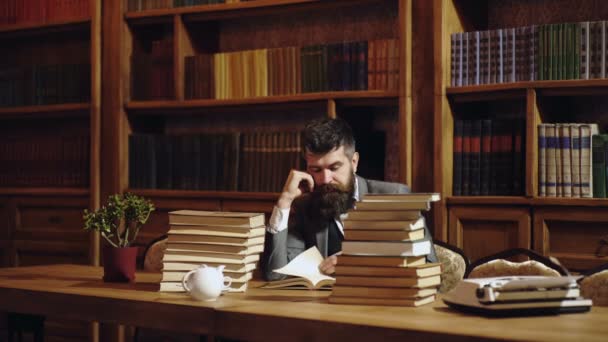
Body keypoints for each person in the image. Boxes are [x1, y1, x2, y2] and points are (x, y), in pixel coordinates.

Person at [263, 117, 437, 281]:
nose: (325, 179)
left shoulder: (396, 197)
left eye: (334, 167)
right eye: (316, 170)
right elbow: (275, 275)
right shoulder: (305, 207)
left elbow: (429, 268)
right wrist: (284, 202)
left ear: (354, 162)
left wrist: (359, 262)